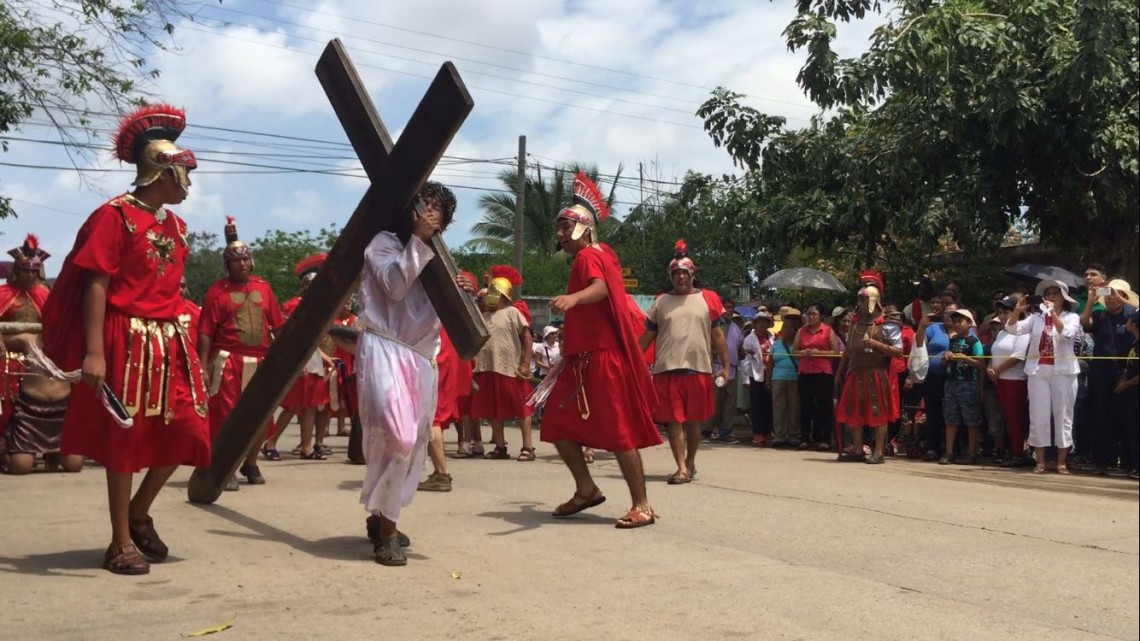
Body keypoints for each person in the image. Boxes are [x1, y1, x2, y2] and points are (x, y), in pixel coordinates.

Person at [41, 103, 210, 574]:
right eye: (182, 172)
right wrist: (93, 352)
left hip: (168, 340)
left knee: (191, 430)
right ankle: (119, 542)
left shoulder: (176, 225)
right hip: (125, 339)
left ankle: (139, 511)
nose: (187, 183)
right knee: (125, 441)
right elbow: (96, 282)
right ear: (161, 170)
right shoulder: (113, 216)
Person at [538, 171, 661, 528]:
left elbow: (602, 289)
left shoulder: (590, 256)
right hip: (581, 360)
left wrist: (573, 298)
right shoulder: (598, 254)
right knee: (558, 425)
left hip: (601, 359)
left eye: (565, 227)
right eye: (559, 227)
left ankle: (642, 505)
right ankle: (586, 489)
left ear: (583, 227)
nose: (560, 234)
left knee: (619, 431)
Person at [356, 181, 462, 565]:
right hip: (384, 347)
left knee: (411, 442)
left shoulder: (440, 257)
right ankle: (387, 535)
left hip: (419, 358)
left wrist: (462, 292)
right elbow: (395, 287)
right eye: (426, 204)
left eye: (439, 210)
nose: (430, 213)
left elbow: (447, 313)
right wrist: (417, 238)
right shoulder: (383, 243)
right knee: (395, 437)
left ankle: (382, 516)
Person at [198, 216, 286, 490]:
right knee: (226, 417)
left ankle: (251, 461)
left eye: (246, 259)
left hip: (260, 361)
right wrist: (202, 365)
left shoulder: (263, 287)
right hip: (228, 361)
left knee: (261, 415)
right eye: (237, 260)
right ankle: (226, 465)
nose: (243, 264)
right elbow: (205, 332)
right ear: (228, 264)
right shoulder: (217, 292)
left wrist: (287, 358)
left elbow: (279, 325)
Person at [639, 239, 728, 484]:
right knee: (673, 420)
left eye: (684, 273)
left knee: (694, 422)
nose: (680, 277)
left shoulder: (709, 298)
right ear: (670, 276)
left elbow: (718, 335)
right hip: (666, 368)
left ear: (692, 274)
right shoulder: (661, 301)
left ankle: (690, 462)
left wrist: (727, 365)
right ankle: (680, 467)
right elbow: (647, 335)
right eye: (675, 273)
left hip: (698, 368)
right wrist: (632, 360)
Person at [1, 235, 83, 474]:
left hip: (42, 359)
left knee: (74, 464)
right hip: (10, 353)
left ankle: (55, 451)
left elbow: (58, 327)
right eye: (25, 270)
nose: (29, 275)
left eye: (33, 271)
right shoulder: (2, 294)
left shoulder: (47, 295)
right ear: (17, 270)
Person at [1007, 279, 1082, 475]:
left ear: (1063, 298)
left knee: (1063, 415)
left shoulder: (1072, 316)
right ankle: (1039, 461)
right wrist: (1017, 310)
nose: (1050, 297)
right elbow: (1012, 329)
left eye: (1054, 293)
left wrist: (1053, 314)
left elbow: (1066, 334)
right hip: (1038, 371)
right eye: (1047, 293)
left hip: (1064, 372)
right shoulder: (1035, 318)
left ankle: (1061, 462)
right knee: (1038, 416)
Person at [265, 254, 332, 462]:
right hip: (296, 358)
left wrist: (324, 357)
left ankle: (306, 446)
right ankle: (271, 442)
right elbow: (286, 334)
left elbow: (314, 340)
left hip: (312, 359)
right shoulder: (293, 305)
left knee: (311, 405)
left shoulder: (321, 307)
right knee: (293, 405)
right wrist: (294, 361)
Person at [835, 271, 902, 464]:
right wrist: (839, 372)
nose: (860, 302)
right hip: (855, 373)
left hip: (877, 374)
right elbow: (848, 351)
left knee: (878, 413)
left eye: (863, 299)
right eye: (859, 299)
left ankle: (878, 451)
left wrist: (876, 345)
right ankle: (857, 450)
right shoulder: (855, 322)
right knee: (853, 413)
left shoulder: (888, 324)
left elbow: (898, 351)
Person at [470, 268, 535, 461]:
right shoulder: (484, 317)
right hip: (487, 369)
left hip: (510, 369)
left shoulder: (512, 312)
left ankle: (528, 447)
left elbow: (527, 337)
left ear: (504, 296)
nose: (489, 298)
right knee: (493, 410)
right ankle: (500, 446)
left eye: (493, 294)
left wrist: (525, 363)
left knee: (522, 408)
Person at [1081, 279, 1138, 475]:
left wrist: (1123, 302)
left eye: (1116, 294)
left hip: (1128, 372)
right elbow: (1084, 323)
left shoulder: (1132, 313)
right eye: (1109, 294)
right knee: (1101, 417)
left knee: (1128, 419)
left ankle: (1130, 463)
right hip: (1102, 373)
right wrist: (1090, 300)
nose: (1111, 299)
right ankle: (1102, 462)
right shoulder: (1100, 315)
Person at [988, 297, 1030, 466]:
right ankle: (1013, 451)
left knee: (1015, 418)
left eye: (1006, 312)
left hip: (1016, 380)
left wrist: (996, 370)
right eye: (1000, 312)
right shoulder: (1001, 332)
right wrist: (990, 368)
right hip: (1000, 380)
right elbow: (993, 354)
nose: (1003, 315)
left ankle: (1019, 454)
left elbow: (1017, 357)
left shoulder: (1023, 332)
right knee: (1007, 417)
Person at [917, 290, 959, 461]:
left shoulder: (966, 331)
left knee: (953, 415)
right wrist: (921, 326)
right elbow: (919, 345)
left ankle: (953, 450)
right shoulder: (933, 328)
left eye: (953, 313)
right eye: (947, 313)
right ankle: (932, 448)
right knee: (933, 413)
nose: (949, 316)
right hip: (934, 377)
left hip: (956, 379)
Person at [938, 309, 984, 464]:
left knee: (971, 420)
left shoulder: (974, 342)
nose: (956, 324)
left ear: (969, 324)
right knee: (951, 419)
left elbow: (981, 363)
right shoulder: (952, 340)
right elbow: (945, 362)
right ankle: (949, 452)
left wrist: (965, 358)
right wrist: (946, 358)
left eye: (960, 321)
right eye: (954, 321)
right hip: (951, 383)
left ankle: (971, 452)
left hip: (969, 383)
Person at [793, 302, 841, 451]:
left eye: (814, 314)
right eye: (809, 314)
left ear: (821, 316)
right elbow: (795, 351)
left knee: (825, 407)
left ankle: (824, 439)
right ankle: (805, 438)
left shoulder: (828, 331)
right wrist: (804, 352)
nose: (811, 317)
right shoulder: (801, 331)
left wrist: (818, 353)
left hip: (823, 373)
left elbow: (835, 352)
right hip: (805, 372)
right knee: (805, 406)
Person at [766, 308, 802, 447]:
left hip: (794, 378)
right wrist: (768, 380)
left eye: (790, 328)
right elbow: (770, 363)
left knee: (794, 408)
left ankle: (794, 435)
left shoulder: (798, 344)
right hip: (777, 379)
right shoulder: (776, 344)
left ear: (795, 329)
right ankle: (779, 435)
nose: (787, 330)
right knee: (778, 407)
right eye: (785, 327)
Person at [711, 300, 743, 442]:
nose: (729, 310)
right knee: (716, 399)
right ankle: (712, 429)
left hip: (732, 368)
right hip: (717, 367)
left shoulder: (736, 328)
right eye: (727, 307)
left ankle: (726, 431)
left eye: (732, 308)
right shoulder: (715, 325)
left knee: (730, 402)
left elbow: (739, 348)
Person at [742, 311, 774, 446]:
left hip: (770, 374)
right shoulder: (749, 339)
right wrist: (746, 380)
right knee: (756, 405)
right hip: (755, 375)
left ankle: (767, 432)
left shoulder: (772, 337)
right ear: (755, 324)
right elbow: (745, 360)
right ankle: (758, 432)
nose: (762, 324)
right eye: (759, 321)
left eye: (765, 321)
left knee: (769, 404)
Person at [1118, 310, 1139, 479]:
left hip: (1135, 392)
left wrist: (1126, 384)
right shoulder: (1134, 342)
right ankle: (1131, 464)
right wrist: (1123, 380)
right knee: (1131, 431)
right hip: (1131, 395)